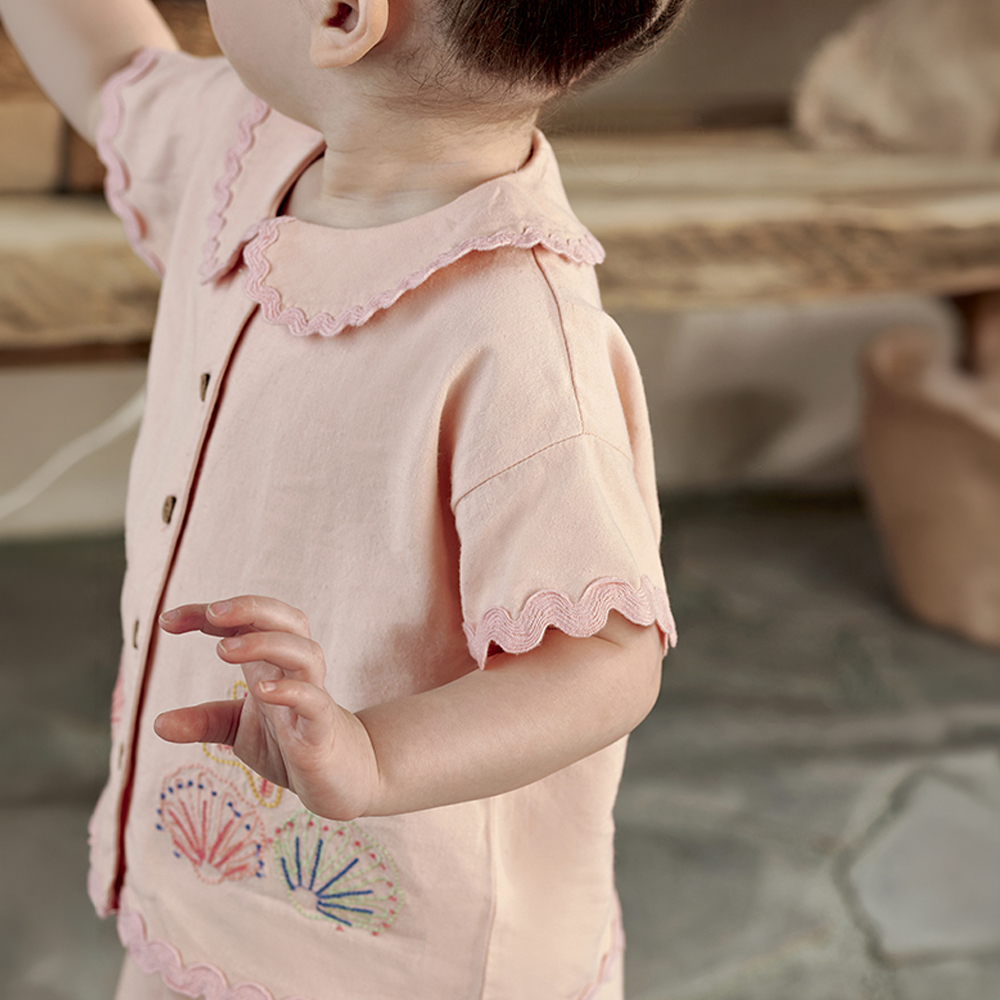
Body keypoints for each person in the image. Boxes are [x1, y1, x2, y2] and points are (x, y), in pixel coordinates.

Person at [0, 0, 688, 997]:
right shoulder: (249, 149)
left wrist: (374, 755)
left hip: (405, 958)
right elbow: (109, 67)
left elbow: (602, 664)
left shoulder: (521, 341)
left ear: (339, 14)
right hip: (209, 890)